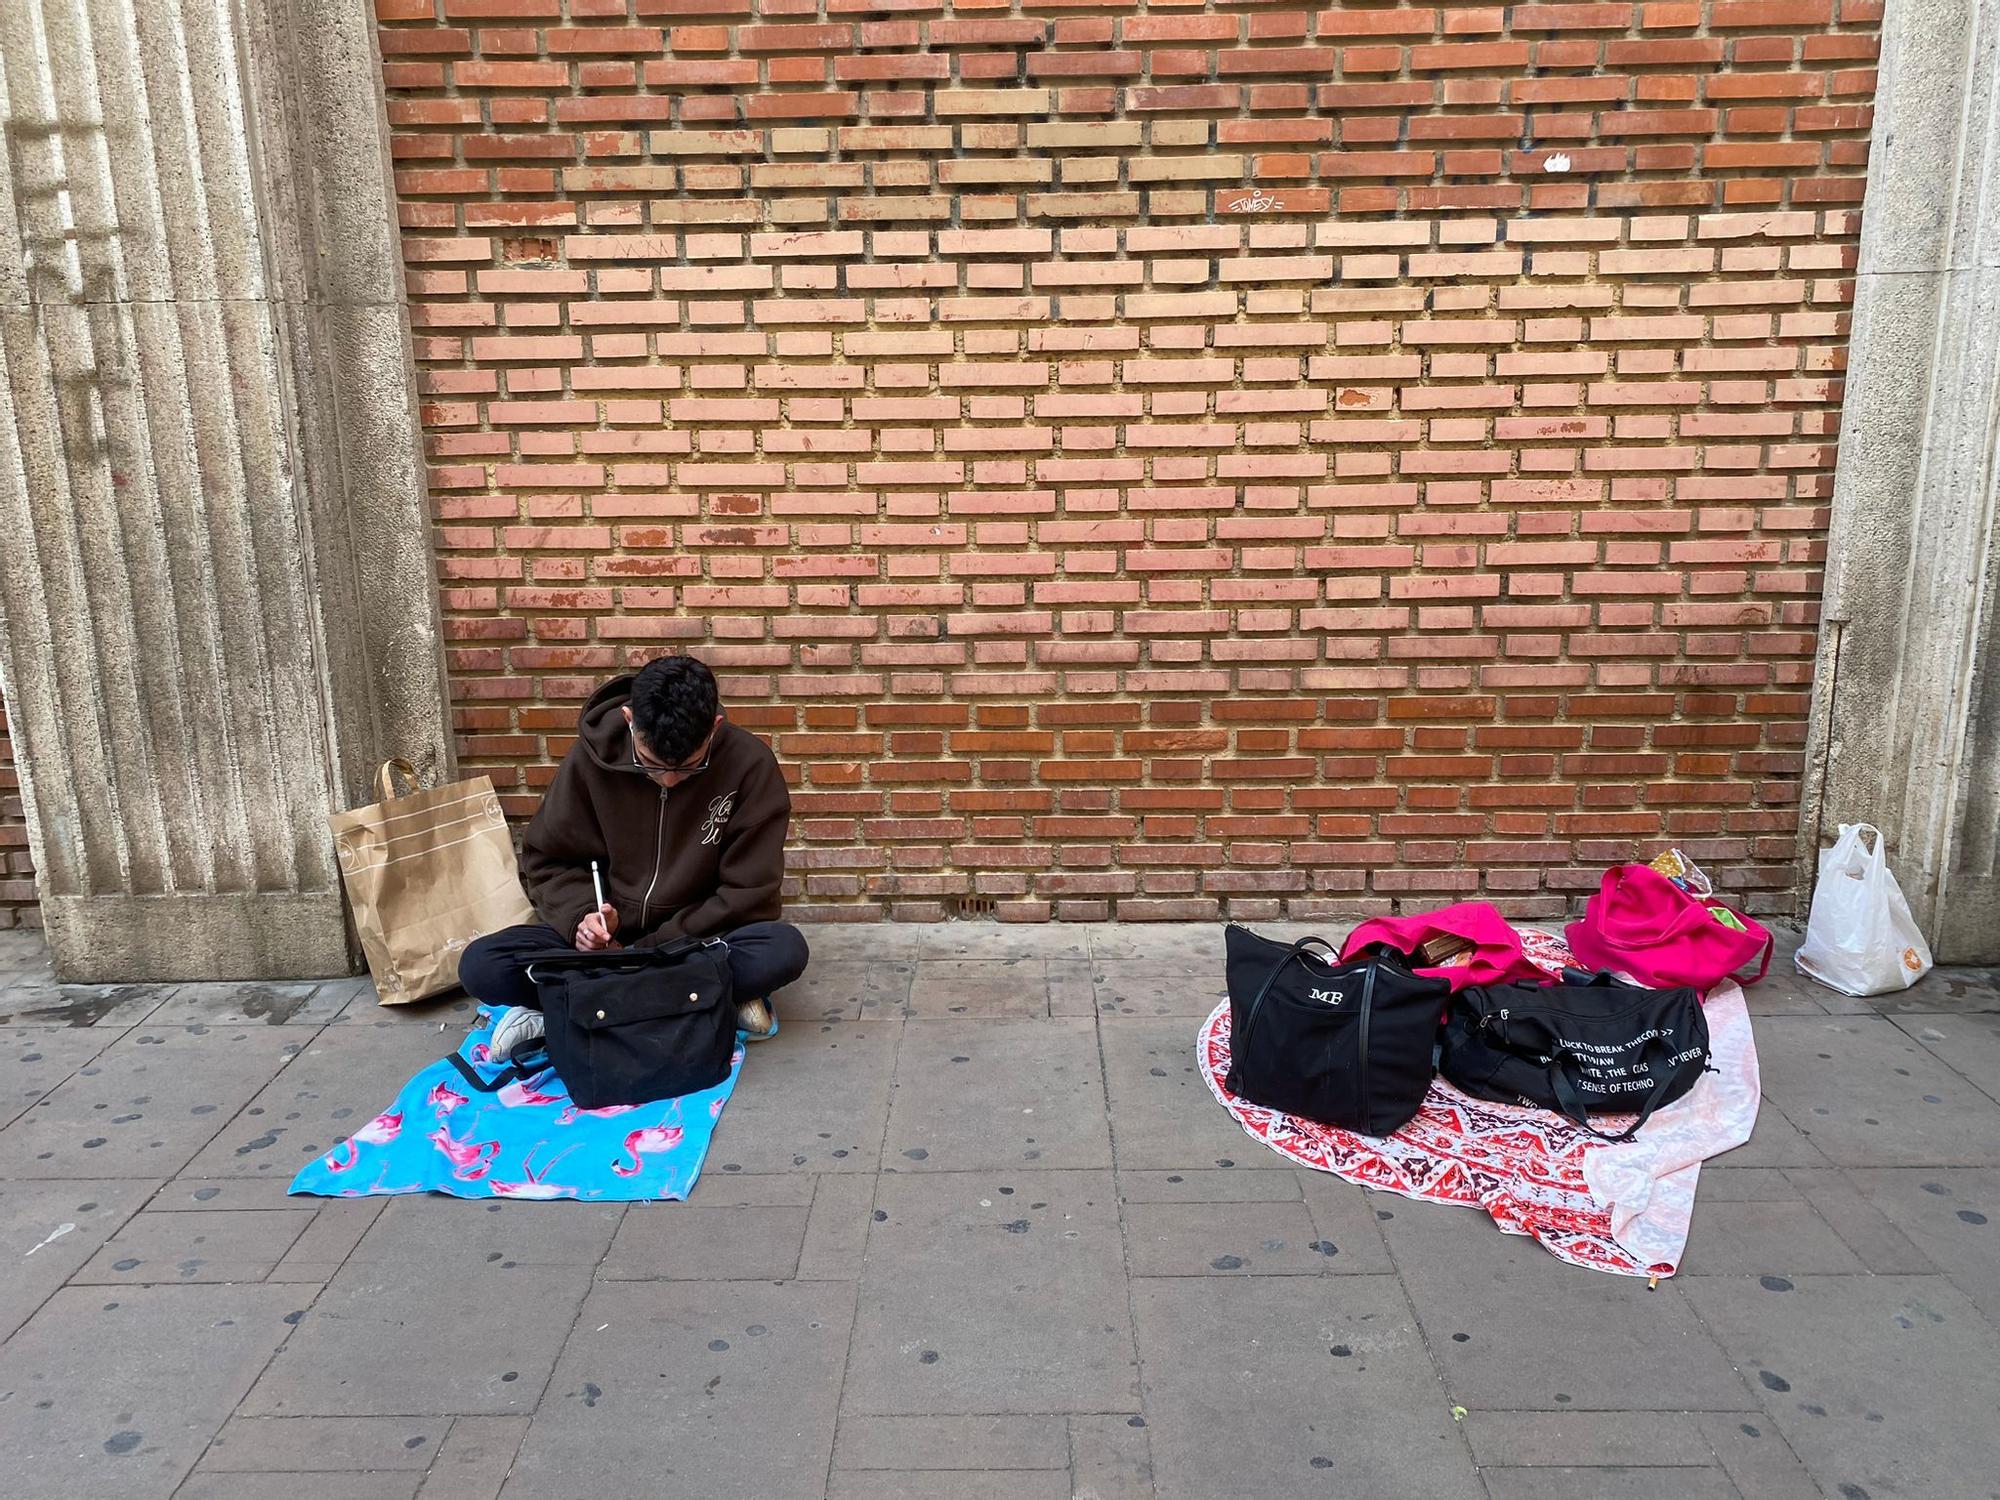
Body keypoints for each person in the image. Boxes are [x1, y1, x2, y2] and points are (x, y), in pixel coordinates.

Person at [460, 654, 808, 1057]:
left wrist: (654, 949)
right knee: (481, 965)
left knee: (782, 949)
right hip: (606, 948)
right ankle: (700, 1000)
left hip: (692, 943)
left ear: (714, 727)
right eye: (652, 764)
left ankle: (569, 1007)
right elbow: (548, 859)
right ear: (629, 719)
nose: (670, 779)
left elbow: (749, 892)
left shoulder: (750, 766)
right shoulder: (588, 761)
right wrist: (583, 920)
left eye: (691, 767)